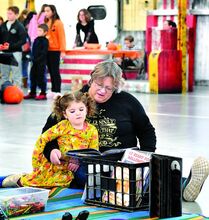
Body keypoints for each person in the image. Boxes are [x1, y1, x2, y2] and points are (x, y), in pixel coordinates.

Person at [43, 60, 156, 164]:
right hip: (78, 166)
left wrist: (145, 156)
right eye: (99, 85)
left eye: (109, 88)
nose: (102, 91)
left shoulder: (128, 101)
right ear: (91, 80)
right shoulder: (73, 100)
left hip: (120, 166)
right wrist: (52, 150)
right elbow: (48, 132)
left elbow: (146, 131)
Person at [0, 91, 98, 188]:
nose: (78, 114)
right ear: (65, 114)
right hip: (58, 166)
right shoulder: (62, 126)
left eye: (81, 109)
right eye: (72, 111)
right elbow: (43, 138)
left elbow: (94, 153)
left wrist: (79, 161)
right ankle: (9, 180)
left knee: (77, 181)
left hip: (76, 167)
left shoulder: (92, 130)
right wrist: (38, 163)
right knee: (36, 182)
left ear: (87, 110)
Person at [0, 6, 27, 88]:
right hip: (4, 53)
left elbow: (23, 41)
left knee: (16, 75)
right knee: (4, 75)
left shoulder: (20, 26)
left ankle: (16, 94)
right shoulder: (3, 25)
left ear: (16, 15)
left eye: (10, 14)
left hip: (15, 53)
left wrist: (10, 46)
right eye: (7, 13)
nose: (8, 15)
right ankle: (4, 93)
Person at [44, 4, 66, 97]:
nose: (46, 13)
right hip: (47, 50)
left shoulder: (58, 23)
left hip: (55, 50)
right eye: (45, 11)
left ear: (53, 11)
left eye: (48, 11)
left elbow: (62, 37)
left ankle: (58, 90)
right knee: (50, 71)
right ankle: (53, 90)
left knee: (55, 71)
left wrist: (62, 50)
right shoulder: (47, 22)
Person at [24, 24, 49, 100]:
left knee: (41, 78)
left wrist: (37, 59)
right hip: (34, 63)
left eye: (40, 30)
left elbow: (44, 53)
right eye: (37, 30)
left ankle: (43, 93)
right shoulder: (36, 40)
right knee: (32, 77)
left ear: (45, 32)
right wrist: (31, 57)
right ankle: (32, 92)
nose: (38, 32)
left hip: (41, 63)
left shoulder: (45, 41)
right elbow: (33, 51)